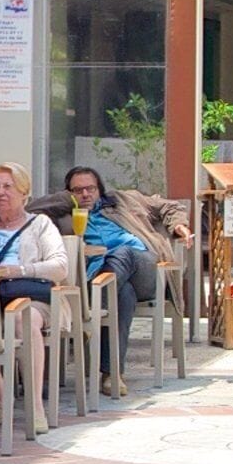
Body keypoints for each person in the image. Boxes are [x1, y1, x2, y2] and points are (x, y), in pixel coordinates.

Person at [0, 163, 72, 433]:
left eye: (8, 187)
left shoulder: (40, 224)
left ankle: (35, 406)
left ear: (24, 193)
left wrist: (18, 270)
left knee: (24, 319)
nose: (0, 193)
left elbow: (60, 267)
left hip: (30, 296)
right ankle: (1, 396)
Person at [62, 166, 158, 398]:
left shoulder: (120, 201)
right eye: (77, 190)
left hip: (142, 265)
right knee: (123, 293)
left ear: (99, 189)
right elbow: (32, 208)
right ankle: (111, 373)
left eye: (90, 188)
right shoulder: (66, 216)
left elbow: (166, 205)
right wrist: (63, 200)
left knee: (122, 253)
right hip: (107, 277)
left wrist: (179, 225)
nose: (85, 194)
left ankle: (91, 319)